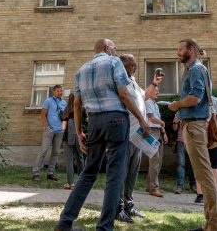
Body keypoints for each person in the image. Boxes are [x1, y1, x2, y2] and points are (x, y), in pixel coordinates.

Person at [55, 39, 150, 231]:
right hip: (116, 121)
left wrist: (80, 131)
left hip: (95, 122)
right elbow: (123, 93)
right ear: (107, 48)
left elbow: (76, 104)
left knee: (88, 172)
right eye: (114, 47)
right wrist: (141, 119)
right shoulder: (114, 62)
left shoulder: (81, 69)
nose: (115, 50)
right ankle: (105, 227)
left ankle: (64, 223)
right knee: (115, 174)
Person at [169, 38, 217, 231]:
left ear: (190, 50)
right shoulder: (194, 69)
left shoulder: (196, 69)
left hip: (195, 127)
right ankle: (209, 224)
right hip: (192, 126)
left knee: (205, 177)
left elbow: (196, 98)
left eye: (180, 49)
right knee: (203, 176)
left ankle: (213, 226)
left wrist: (177, 104)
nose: (177, 53)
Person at [116, 53, 155, 223]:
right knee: (121, 174)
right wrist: (141, 119)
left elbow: (144, 96)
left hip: (137, 136)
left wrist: (154, 83)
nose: (135, 67)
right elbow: (124, 99)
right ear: (123, 66)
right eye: (132, 64)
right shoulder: (119, 81)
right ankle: (117, 208)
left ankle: (129, 206)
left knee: (132, 173)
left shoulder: (133, 81)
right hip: (125, 134)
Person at [33, 84, 67, 182]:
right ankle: (36, 173)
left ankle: (50, 173)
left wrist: (63, 128)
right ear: (54, 92)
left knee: (55, 152)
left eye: (61, 91)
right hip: (49, 130)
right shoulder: (48, 101)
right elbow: (43, 114)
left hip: (60, 131)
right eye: (58, 91)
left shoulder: (64, 102)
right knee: (43, 151)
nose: (60, 92)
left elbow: (65, 116)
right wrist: (47, 127)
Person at [195, 95, 217, 204]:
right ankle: (216, 195)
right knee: (215, 167)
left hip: (200, 137)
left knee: (200, 165)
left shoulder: (196, 99)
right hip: (215, 138)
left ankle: (200, 195)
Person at [145, 82, 168, 197]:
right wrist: (162, 122)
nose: (158, 92)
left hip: (158, 132)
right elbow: (152, 119)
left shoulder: (155, 104)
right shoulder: (148, 102)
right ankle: (154, 188)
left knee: (157, 161)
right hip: (151, 132)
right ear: (150, 92)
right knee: (155, 160)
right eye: (156, 90)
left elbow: (157, 119)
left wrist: (164, 132)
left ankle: (150, 185)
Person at [62, 93, 84, 190]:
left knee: (69, 160)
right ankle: (82, 182)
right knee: (80, 158)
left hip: (67, 138)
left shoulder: (66, 111)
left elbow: (64, 127)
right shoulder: (82, 110)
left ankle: (70, 184)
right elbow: (89, 120)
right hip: (79, 137)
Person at [173, 112, 197, 194]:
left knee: (193, 164)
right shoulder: (179, 113)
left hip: (192, 142)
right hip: (181, 141)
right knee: (181, 164)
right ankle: (179, 186)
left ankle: (193, 185)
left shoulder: (195, 111)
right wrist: (175, 122)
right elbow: (174, 128)